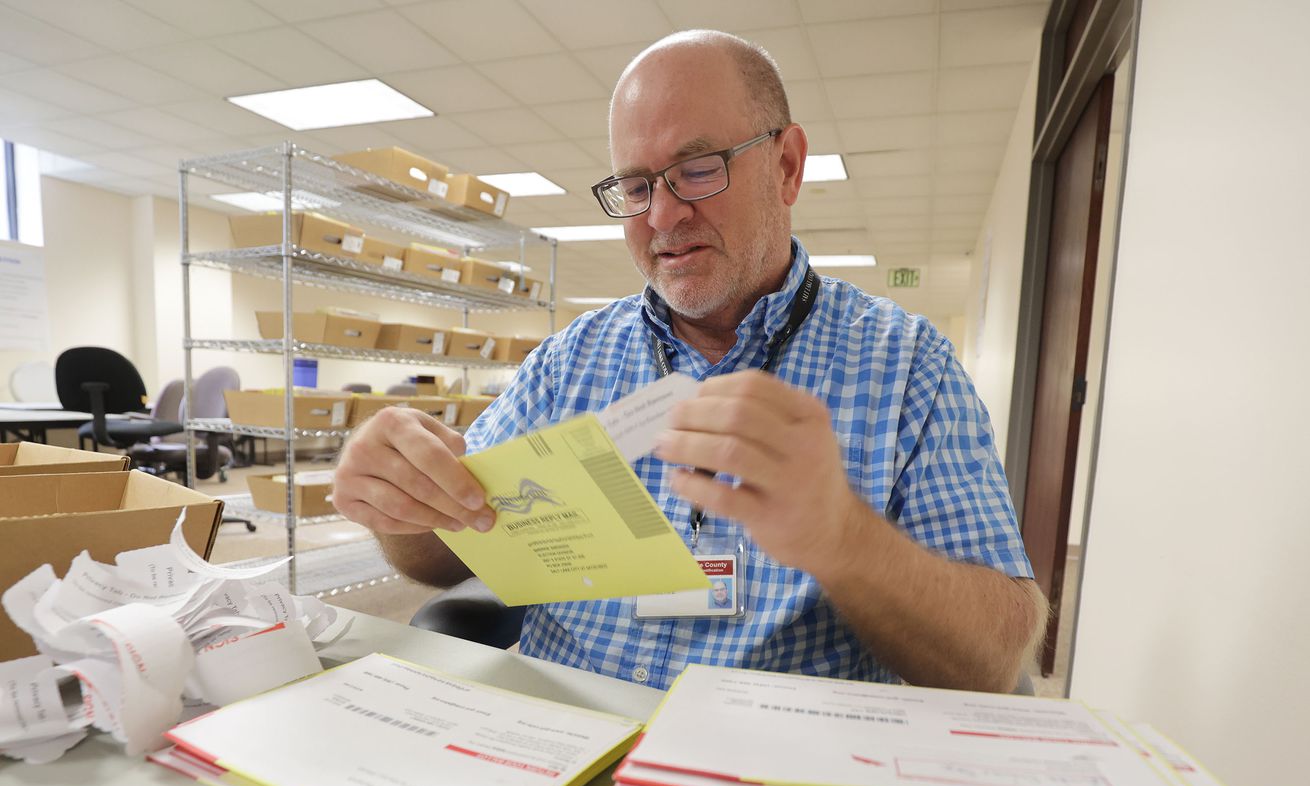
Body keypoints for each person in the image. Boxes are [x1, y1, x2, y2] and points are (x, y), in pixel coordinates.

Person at [333, 30, 1047, 693]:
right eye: (636, 186)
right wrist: (400, 502)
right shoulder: (566, 364)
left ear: (787, 166)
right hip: (569, 752)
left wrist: (843, 538)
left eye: (698, 170)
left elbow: (993, 656)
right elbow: (442, 554)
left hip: (769, 773)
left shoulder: (907, 366)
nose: (662, 218)